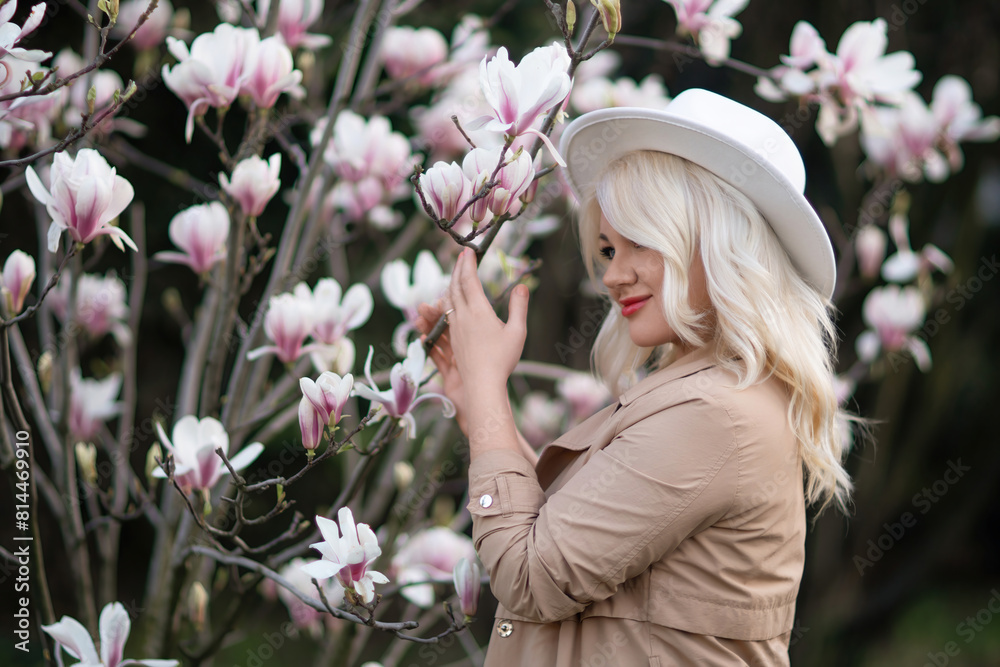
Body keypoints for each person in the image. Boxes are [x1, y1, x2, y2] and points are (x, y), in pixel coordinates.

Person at [415, 89, 854, 666]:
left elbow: (531, 576)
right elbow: (562, 533)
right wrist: (479, 406)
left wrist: (490, 387)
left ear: (719, 241)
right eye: (607, 248)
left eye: (640, 242)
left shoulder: (716, 414)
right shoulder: (712, 394)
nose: (614, 275)